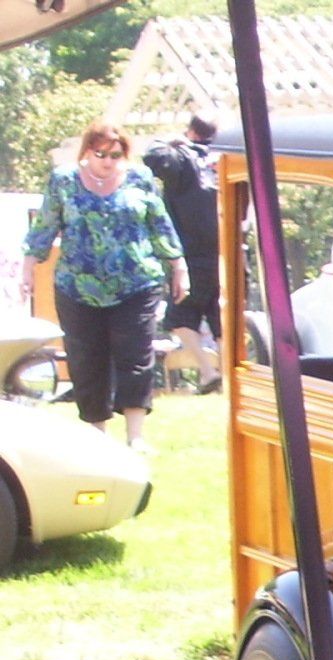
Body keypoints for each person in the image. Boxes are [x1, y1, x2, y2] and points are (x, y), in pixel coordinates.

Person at [21, 119, 185, 448]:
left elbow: (160, 224)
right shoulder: (64, 181)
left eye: (115, 154)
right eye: (101, 153)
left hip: (136, 282)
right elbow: (45, 225)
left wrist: (178, 266)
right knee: (86, 358)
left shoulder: (140, 179)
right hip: (77, 286)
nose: (108, 161)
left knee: (135, 355)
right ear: (87, 152)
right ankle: (97, 436)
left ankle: (136, 435)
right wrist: (28, 265)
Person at [143, 110, 223, 394]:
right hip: (229, 251)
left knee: (178, 318)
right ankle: (230, 375)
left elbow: (151, 155)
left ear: (191, 131)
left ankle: (208, 370)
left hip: (191, 253)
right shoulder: (224, 158)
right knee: (222, 317)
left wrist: (171, 140)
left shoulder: (181, 157)